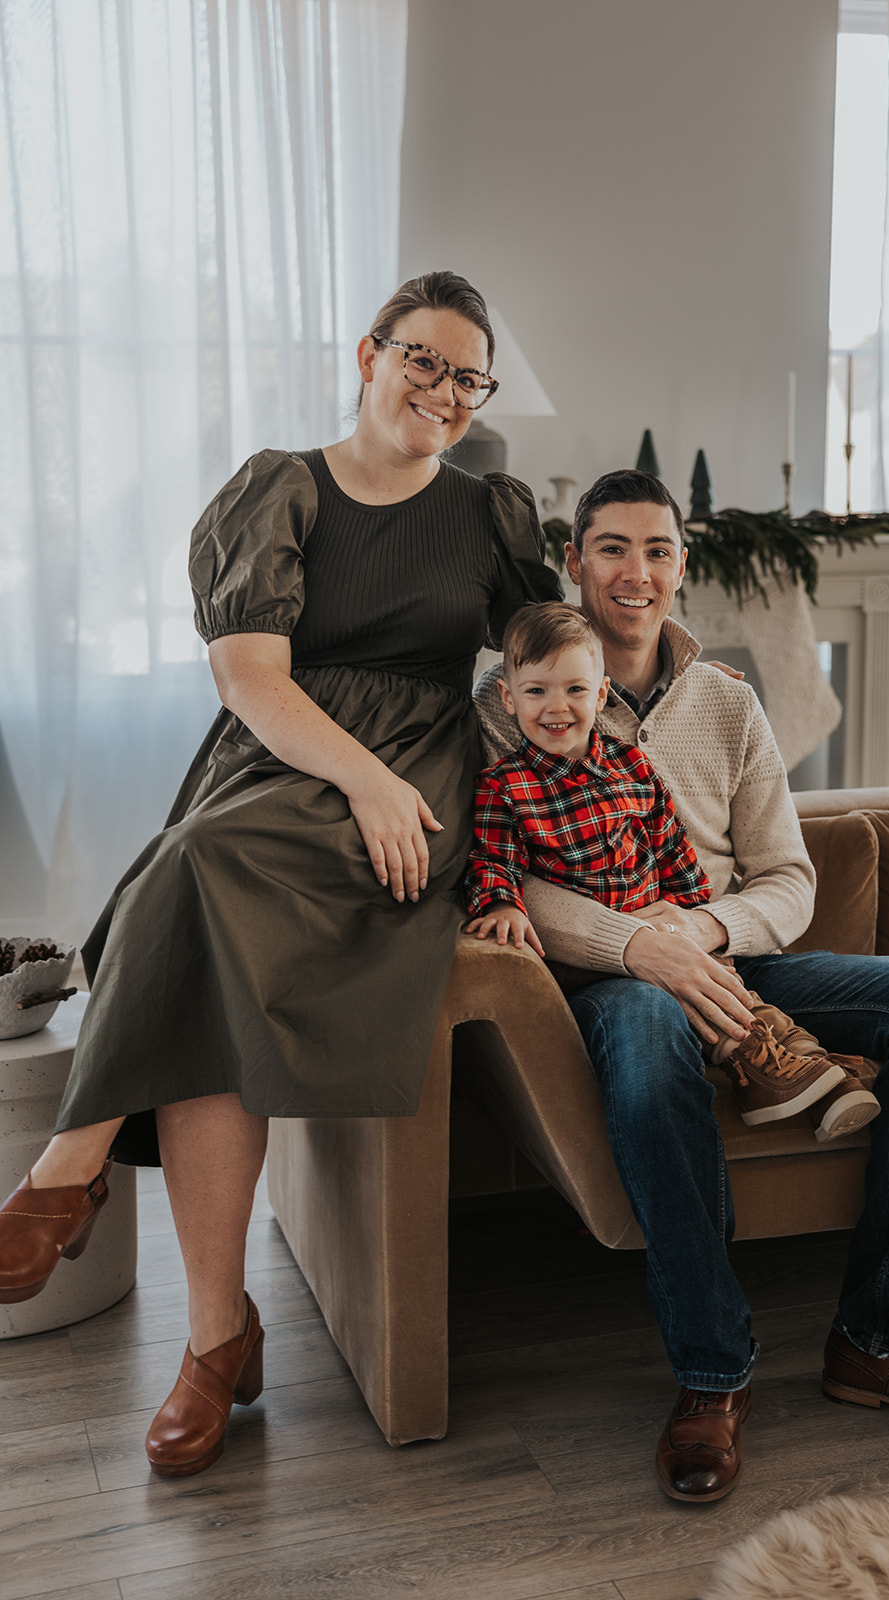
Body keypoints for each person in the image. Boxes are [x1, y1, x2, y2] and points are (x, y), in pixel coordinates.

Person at [0, 270, 561, 1477]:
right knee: (203, 890)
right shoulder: (280, 486)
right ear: (366, 353)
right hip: (287, 763)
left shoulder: (490, 512)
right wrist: (355, 776)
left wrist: (654, 641)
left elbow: (544, 662)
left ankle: (68, 1174)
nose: (444, 392)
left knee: (190, 868)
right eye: (423, 360)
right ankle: (216, 1334)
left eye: (469, 375)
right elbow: (252, 676)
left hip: (417, 792)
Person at [474, 468, 889, 1504]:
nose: (634, 571)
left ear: (681, 566)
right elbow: (494, 874)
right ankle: (710, 1374)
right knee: (653, 1044)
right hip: (609, 982)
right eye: (610, 547)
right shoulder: (512, 698)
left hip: (731, 948)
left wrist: (698, 927)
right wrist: (634, 947)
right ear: (574, 559)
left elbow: (787, 878)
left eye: (656, 550)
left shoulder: (727, 702)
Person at [465, 600, 872, 1134]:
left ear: (601, 693)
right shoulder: (505, 785)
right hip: (589, 961)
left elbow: (668, 843)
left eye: (575, 690)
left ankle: (799, 1065)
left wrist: (693, 917)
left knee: (720, 984)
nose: (555, 707)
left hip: (670, 927)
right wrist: (499, 903)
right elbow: (493, 857)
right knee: (687, 1000)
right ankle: (779, 1070)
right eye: (536, 691)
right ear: (508, 698)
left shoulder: (633, 765)